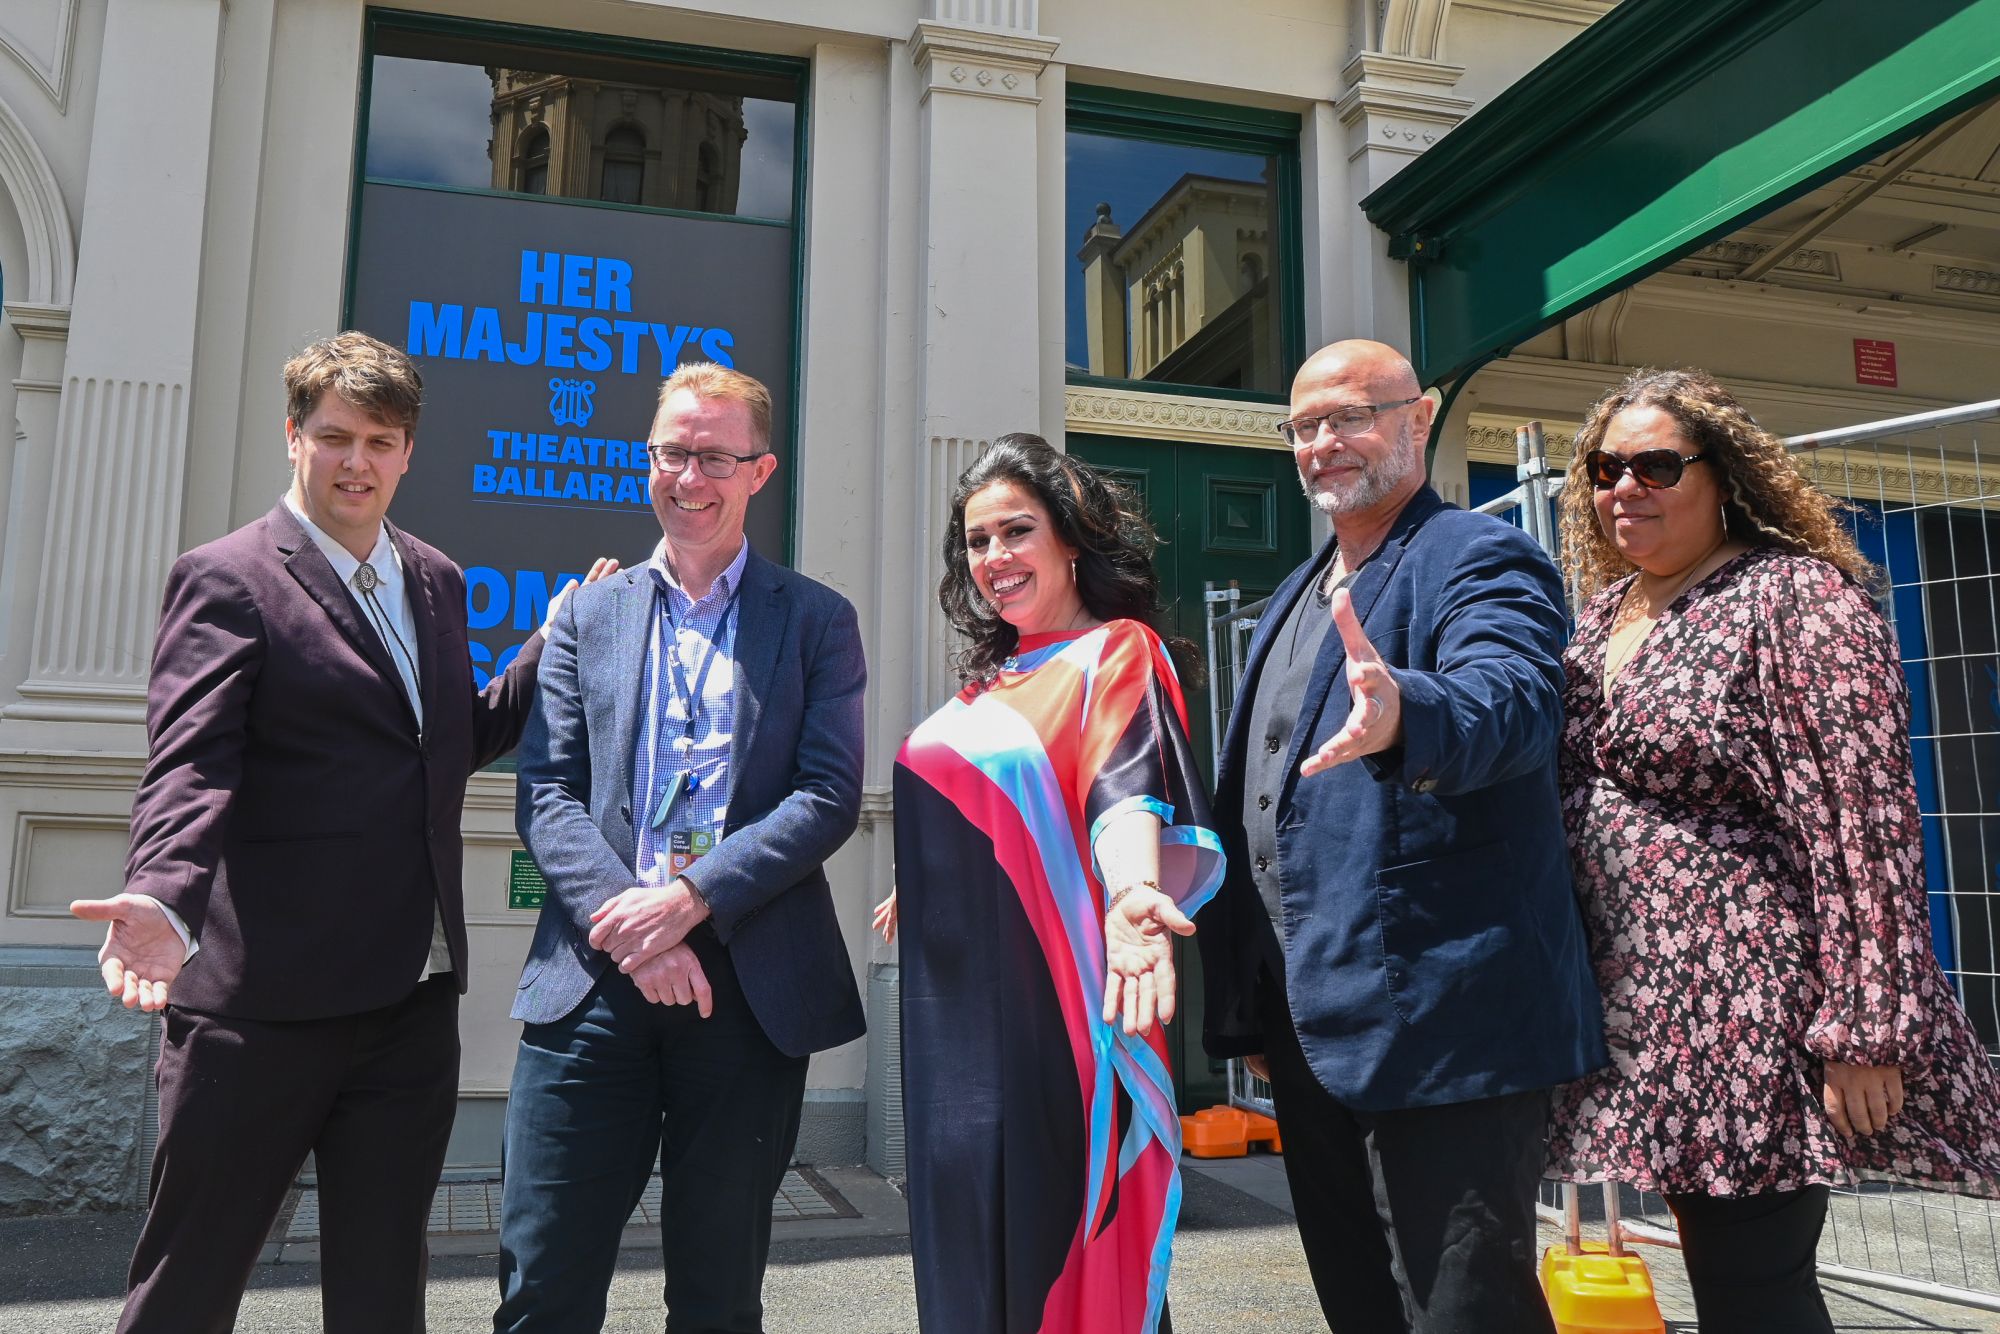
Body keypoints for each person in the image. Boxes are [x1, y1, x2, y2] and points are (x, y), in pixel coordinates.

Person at [69, 331, 611, 1332]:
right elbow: (191, 759)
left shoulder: (435, 579)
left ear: (408, 450)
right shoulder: (228, 576)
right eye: (332, 436)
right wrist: (159, 890)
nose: (355, 460)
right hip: (261, 1006)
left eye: (379, 439)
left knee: (380, 1290)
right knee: (190, 1277)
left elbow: (449, 738)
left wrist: (556, 635)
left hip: (407, 1000)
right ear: (293, 437)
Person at [1545, 367, 2000, 1332]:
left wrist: (1869, 1028)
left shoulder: (1795, 598)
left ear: (1727, 477)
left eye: (1657, 465)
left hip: (1746, 1004)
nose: (1625, 486)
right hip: (1637, 1009)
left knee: (1753, 1285)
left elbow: (1863, 820)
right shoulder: (1601, 613)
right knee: (1714, 1274)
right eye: (1604, 467)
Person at [1197, 339, 1605, 1333]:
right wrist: (1249, 1011)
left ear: (1417, 419)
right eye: (1303, 426)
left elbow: (1511, 699)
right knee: (1360, 1308)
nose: (1323, 442)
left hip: (1441, 1021)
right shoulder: (1297, 593)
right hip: (1310, 1029)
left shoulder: (1475, 552)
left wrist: (1405, 711)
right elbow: (1264, 810)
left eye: (1350, 416)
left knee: (1463, 1312)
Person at [496, 362, 867, 1333]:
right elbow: (545, 787)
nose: (689, 476)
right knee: (541, 1287)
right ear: (646, 461)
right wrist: (640, 931)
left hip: (744, 994)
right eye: (672, 452)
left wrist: (688, 901)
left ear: (759, 470)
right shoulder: (586, 612)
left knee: (715, 1295)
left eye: (714, 455)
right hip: (591, 981)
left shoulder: (818, 620)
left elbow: (826, 796)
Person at [874, 433, 1223, 1333]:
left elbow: (1121, 791)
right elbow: (1009, 810)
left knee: (1049, 1236)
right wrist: (949, 875)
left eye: (1016, 532)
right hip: (952, 1022)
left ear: (1071, 538)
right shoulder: (988, 683)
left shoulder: (1115, 652)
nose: (995, 559)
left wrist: (1137, 898)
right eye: (978, 542)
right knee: (966, 1239)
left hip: (1052, 1017)